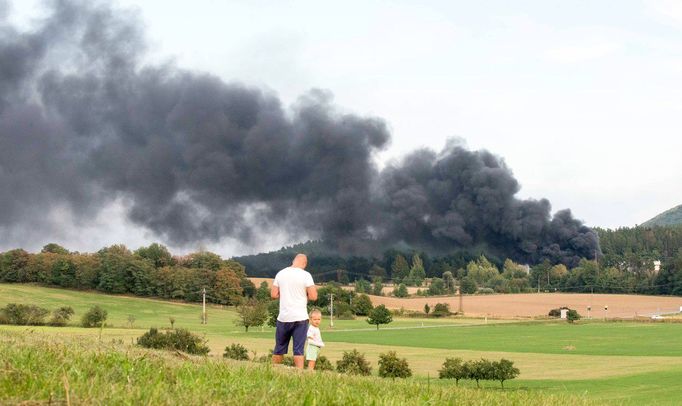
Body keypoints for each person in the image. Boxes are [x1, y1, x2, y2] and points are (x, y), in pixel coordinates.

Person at [271, 253, 317, 369]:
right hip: (300, 318)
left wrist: (285, 293)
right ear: (304, 263)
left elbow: (273, 294)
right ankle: (299, 375)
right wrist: (304, 294)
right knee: (298, 350)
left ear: (293, 261)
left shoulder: (280, 273)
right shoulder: (306, 275)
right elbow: (313, 296)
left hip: (283, 317)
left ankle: (274, 371)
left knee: (279, 348)